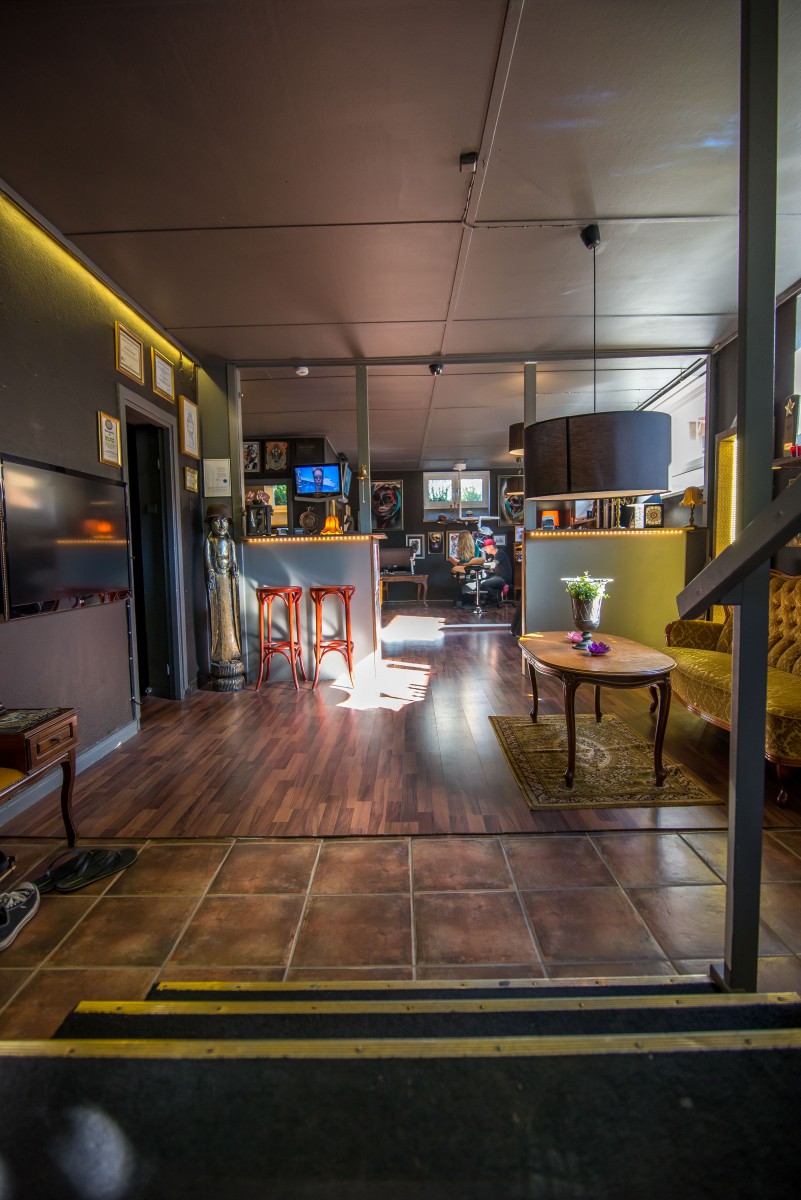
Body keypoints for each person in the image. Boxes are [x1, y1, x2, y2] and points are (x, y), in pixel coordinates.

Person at [204, 504, 245, 691]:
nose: (221, 525)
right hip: (218, 582)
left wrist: (234, 569)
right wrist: (211, 571)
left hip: (228, 582)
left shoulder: (230, 543)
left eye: (225, 521)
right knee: (219, 616)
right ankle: (220, 654)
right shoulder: (210, 542)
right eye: (217, 521)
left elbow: (234, 561)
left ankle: (232, 651)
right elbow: (208, 561)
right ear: (210, 523)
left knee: (229, 615)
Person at [480, 537, 513, 605]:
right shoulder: (496, 555)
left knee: (484, 584)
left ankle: (496, 599)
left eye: (486, 548)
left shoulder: (500, 553)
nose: (485, 550)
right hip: (498, 577)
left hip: (504, 579)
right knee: (482, 581)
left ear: (491, 547)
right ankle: (489, 600)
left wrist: (485, 566)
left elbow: (494, 564)